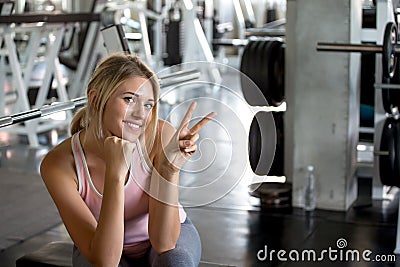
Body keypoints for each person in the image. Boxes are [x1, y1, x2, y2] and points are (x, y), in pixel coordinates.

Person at [40, 52, 216, 267]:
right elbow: (105, 260)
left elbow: (164, 243)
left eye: (148, 105)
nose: (140, 114)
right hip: (103, 244)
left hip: (165, 238)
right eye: (129, 99)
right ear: (96, 99)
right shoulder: (59, 164)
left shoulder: (160, 135)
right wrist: (115, 174)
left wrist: (169, 170)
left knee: (175, 261)